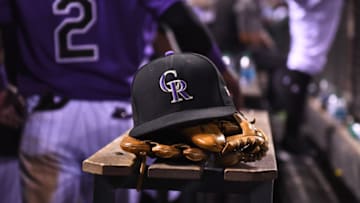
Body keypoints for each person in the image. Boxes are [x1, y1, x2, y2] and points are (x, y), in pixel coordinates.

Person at [0, 1, 242, 203]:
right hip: (118, 121)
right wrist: (220, 71)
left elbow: (8, 30)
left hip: (49, 117)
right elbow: (180, 20)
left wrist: (5, 85)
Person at [271, 0, 343, 154]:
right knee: (292, 118)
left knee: (295, 115)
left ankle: (291, 145)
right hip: (301, 64)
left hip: (302, 64)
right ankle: (290, 148)